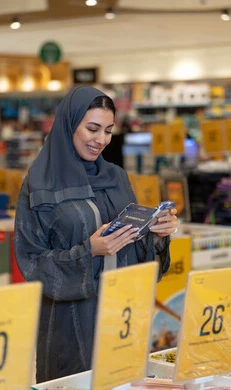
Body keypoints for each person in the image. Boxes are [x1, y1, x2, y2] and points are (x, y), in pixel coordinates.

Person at [14, 85, 178, 383]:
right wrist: (89, 250)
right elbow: (31, 262)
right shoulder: (39, 185)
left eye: (108, 130)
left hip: (122, 316)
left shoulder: (115, 177)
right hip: (70, 323)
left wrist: (157, 233)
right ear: (68, 125)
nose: (101, 140)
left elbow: (137, 248)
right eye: (92, 129)